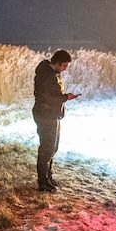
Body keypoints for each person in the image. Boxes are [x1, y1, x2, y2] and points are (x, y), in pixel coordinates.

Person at [32, 49, 79, 191]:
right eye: (64, 65)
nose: (65, 69)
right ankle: (43, 182)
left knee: (52, 147)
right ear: (57, 62)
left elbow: (53, 95)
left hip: (52, 115)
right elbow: (48, 97)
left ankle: (48, 177)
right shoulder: (46, 75)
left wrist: (64, 98)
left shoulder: (52, 74)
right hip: (45, 114)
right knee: (47, 148)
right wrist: (66, 97)